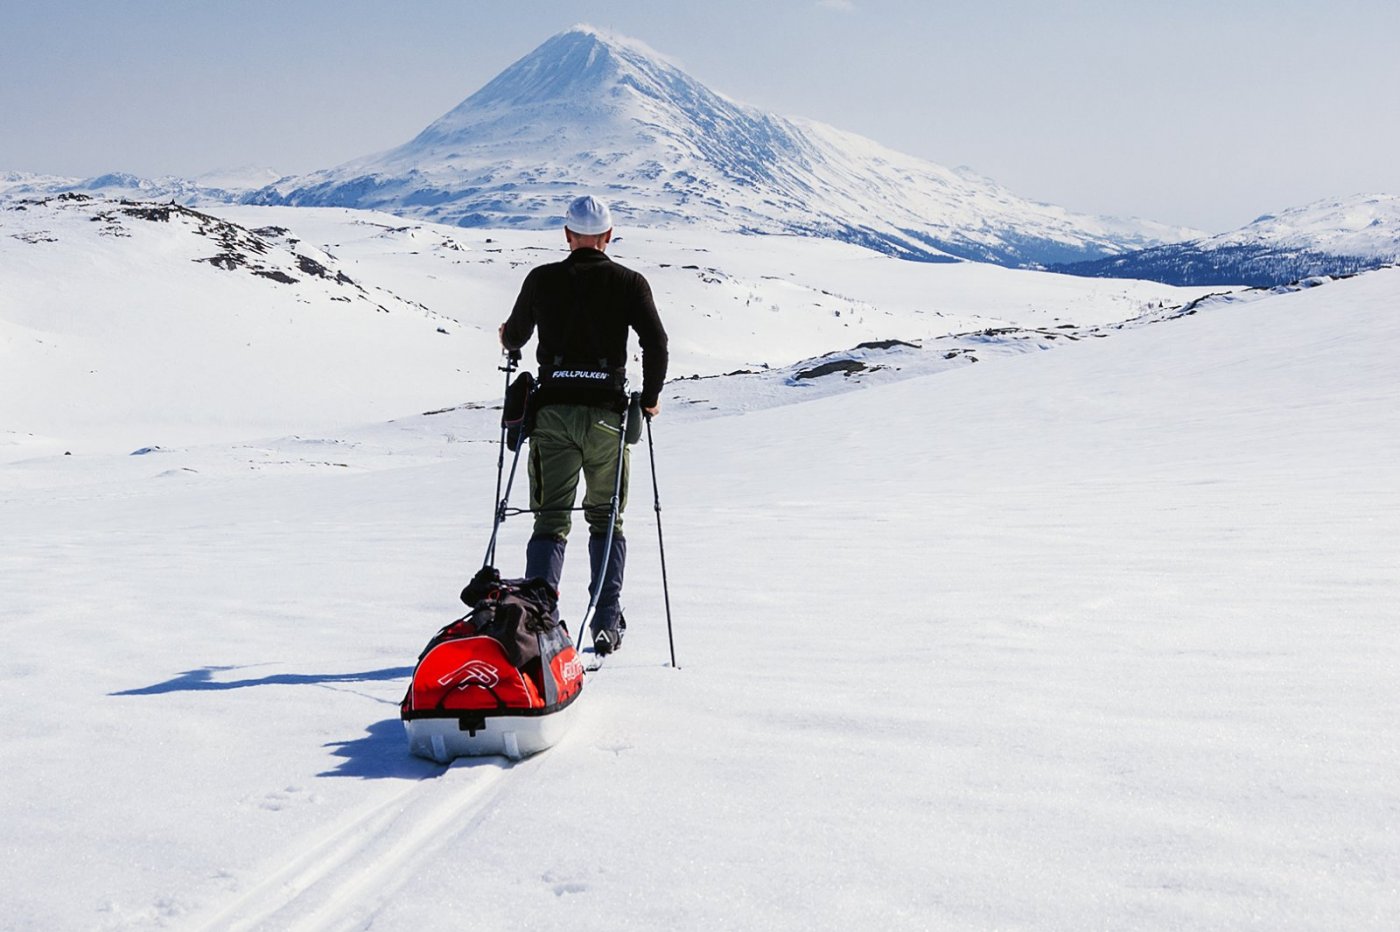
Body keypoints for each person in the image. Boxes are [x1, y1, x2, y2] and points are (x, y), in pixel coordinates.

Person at [498, 195, 668, 655]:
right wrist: (650, 398)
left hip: (553, 415)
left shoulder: (542, 279)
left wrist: (507, 337)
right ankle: (606, 621)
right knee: (606, 517)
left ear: (567, 235)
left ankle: (538, 624)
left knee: (550, 520)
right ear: (609, 236)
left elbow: (515, 336)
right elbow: (656, 342)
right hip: (608, 419)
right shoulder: (630, 282)